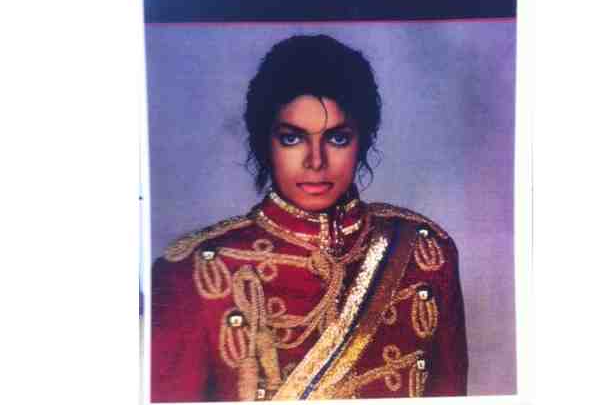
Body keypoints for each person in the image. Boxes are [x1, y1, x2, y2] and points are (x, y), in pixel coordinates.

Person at [151, 35, 468, 401]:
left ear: (362, 141)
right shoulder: (190, 275)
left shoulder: (424, 256)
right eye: (292, 139)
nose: (315, 161)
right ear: (264, 143)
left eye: (337, 139)